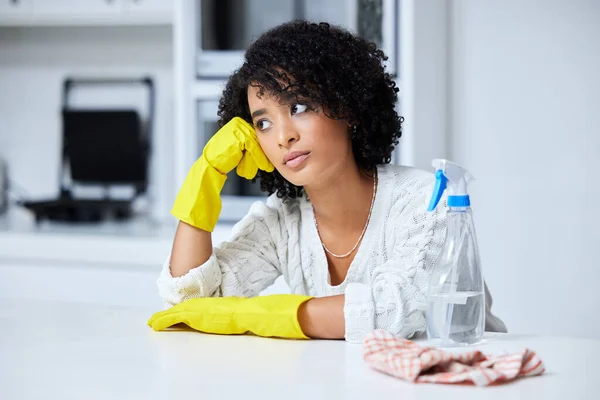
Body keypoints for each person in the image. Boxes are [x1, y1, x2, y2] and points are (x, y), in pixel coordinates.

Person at [148, 20, 506, 343]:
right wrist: (206, 175)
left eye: (298, 107)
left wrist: (254, 315)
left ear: (347, 107)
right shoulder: (282, 222)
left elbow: (390, 312)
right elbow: (188, 303)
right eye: (263, 123)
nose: (283, 136)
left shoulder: (427, 200)